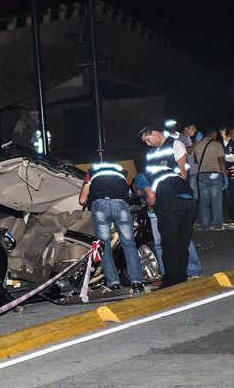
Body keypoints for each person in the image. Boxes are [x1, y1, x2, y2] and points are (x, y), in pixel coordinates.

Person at [138, 124, 196, 287]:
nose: (148, 144)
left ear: (155, 133)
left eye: (148, 139)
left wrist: (154, 205)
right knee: (179, 242)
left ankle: (176, 278)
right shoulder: (151, 154)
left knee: (171, 243)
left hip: (170, 199)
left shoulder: (175, 144)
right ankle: (180, 277)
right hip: (180, 200)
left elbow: (183, 172)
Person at [78, 162, 145, 294]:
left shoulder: (92, 172)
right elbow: (130, 192)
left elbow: (81, 200)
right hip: (121, 205)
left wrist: (90, 200)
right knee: (129, 244)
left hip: (100, 206)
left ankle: (113, 284)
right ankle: (137, 283)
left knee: (105, 247)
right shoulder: (121, 171)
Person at [134, 173, 202, 279]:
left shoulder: (140, 178)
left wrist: (151, 213)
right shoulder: (168, 171)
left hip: (169, 204)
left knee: (167, 245)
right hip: (189, 202)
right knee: (183, 243)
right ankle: (189, 273)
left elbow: (151, 196)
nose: (138, 194)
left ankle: (170, 278)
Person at [193, 127, 228, 231]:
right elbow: (221, 160)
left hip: (201, 174)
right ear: (213, 133)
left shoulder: (198, 145)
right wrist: (225, 175)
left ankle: (205, 224)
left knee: (203, 201)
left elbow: (195, 159)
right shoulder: (216, 144)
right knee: (216, 200)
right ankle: (217, 224)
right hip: (215, 174)